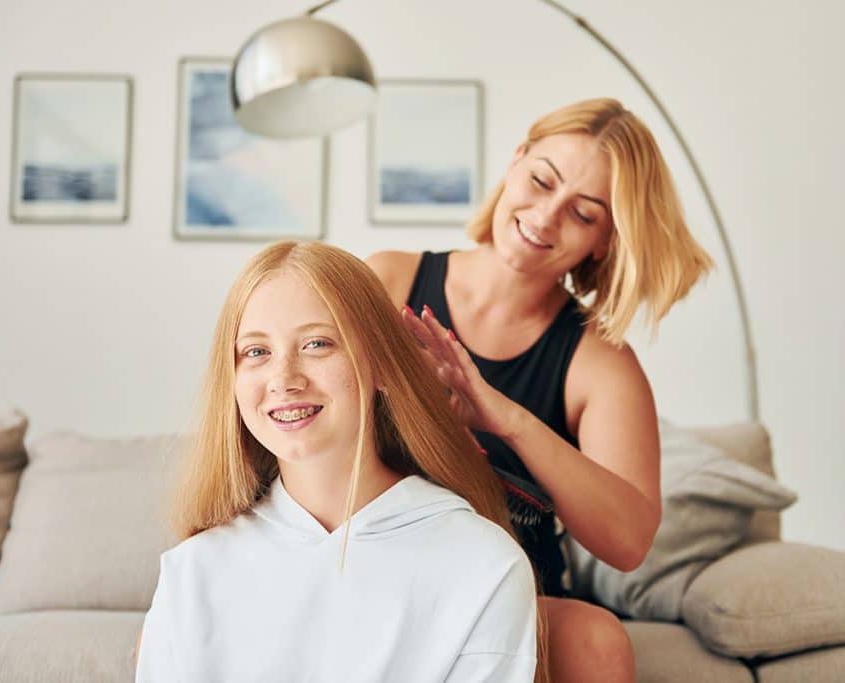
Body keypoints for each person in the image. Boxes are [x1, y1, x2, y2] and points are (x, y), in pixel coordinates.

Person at [367, 97, 713, 683]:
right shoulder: (388, 280)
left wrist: (507, 419)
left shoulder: (600, 363)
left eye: (583, 214)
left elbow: (629, 541)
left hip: (507, 594)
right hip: (378, 570)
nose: (546, 217)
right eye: (541, 180)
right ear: (515, 161)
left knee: (599, 642)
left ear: (605, 240)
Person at [135, 241, 548, 682]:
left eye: (317, 344)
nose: (284, 378)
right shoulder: (192, 571)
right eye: (256, 352)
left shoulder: (484, 565)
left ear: (383, 367)